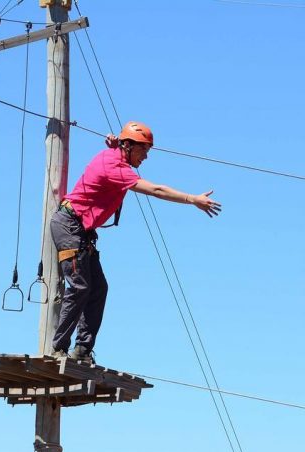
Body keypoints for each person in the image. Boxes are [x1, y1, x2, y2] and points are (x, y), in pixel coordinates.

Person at [50, 121, 221, 362]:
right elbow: (157, 190)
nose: (146, 157)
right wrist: (192, 199)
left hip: (81, 231)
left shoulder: (115, 156)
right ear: (128, 146)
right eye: (144, 151)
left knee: (98, 288)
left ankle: (82, 350)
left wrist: (113, 143)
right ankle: (58, 349)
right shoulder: (114, 166)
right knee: (79, 287)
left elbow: (113, 147)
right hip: (70, 226)